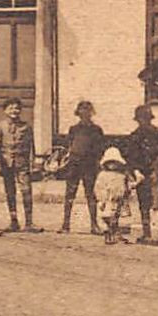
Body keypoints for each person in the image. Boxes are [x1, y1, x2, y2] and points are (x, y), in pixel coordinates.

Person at [119, 104, 158, 244]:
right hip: (142, 174)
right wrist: (136, 172)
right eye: (142, 119)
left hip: (155, 172)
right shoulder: (135, 136)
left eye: (145, 118)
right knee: (145, 204)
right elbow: (131, 157)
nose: (144, 121)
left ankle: (157, 235)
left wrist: (157, 170)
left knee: (156, 203)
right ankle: (147, 234)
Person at [59, 100, 105, 234]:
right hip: (74, 164)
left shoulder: (96, 129)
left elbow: (101, 147)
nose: (85, 113)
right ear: (78, 113)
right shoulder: (74, 129)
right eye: (82, 110)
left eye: (88, 110)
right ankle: (65, 224)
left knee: (91, 194)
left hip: (90, 165)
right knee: (70, 193)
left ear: (92, 113)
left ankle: (94, 225)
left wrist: (97, 161)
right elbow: (68, 146)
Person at [0, 99, 38, 232]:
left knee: (26, 191)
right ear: (5, 111)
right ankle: (13, 221)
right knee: (10, 192)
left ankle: (29, 222)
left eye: (17, 108)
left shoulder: (26, 127)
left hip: (22, 163)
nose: (14, 111)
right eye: (11, 108)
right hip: (6, 163)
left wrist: (34, 163)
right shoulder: (0, 126)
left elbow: (31, 146)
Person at [93, 145, 138, 244]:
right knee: (106, 217)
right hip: (107, 200)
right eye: (110, 163)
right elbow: (98, 187)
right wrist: (101, 199)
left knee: (117, 217)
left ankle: (115, 234)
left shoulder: (122, 175)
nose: (112, 166)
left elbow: (128, 184)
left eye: (115, 163)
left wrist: (132, 187)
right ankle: (108, 234)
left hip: (119, 200)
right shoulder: (103, 175)